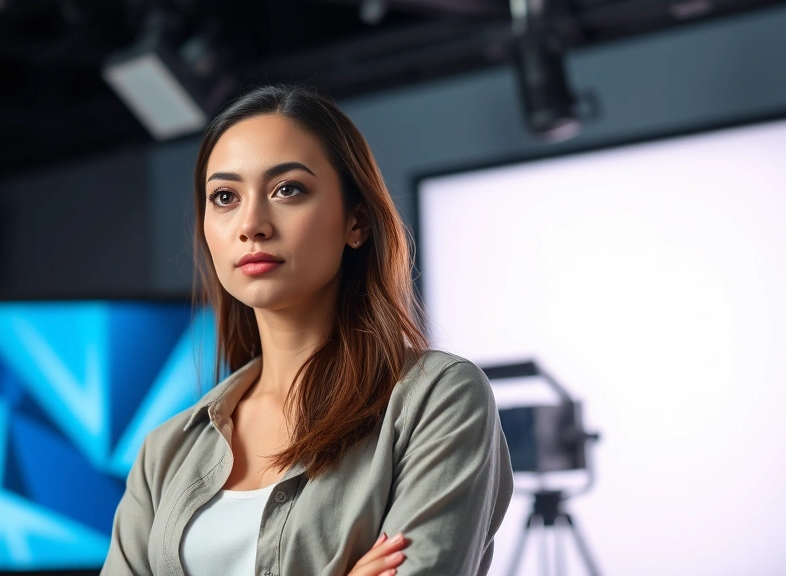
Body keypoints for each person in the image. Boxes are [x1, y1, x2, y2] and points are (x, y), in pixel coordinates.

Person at [100, 85, 513, 576]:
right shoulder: (164, 453)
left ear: (356, 221)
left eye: (288, 189)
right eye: (225, 196)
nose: (251, 224)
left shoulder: (437, 399)